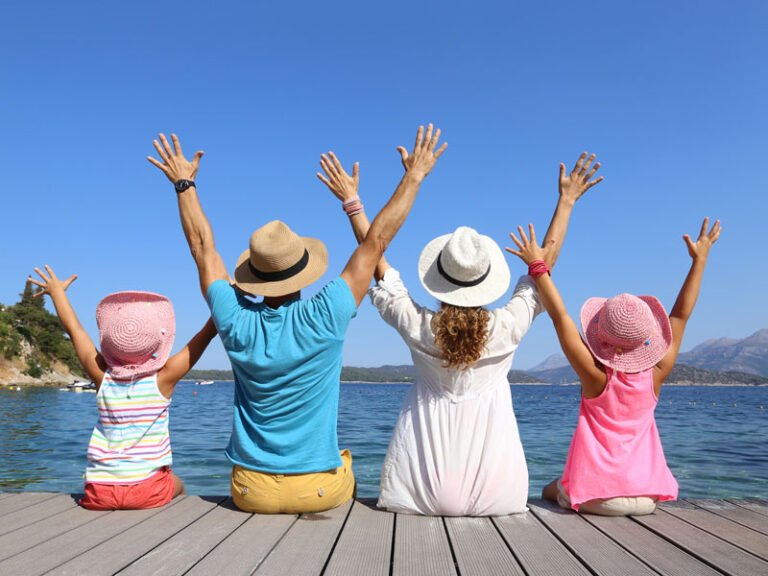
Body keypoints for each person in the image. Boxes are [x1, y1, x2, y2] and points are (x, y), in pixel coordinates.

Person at [147, 126, 447, 514]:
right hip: (317, 489)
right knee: (347, 465)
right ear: (304, 271)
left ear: (254, 276)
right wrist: (413, 176)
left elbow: (201, 247)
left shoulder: (233, 319)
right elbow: (377, 242)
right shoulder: (328, 312)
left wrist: (184, 185)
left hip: (250, 490)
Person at [319, 150, 603, 515]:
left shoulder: (419, 327)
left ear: (439, 280)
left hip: (417, 492)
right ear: (486, 281)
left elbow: (374, 259)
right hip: (499, 494)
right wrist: (566, 201)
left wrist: (353, 202)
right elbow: (541, 271)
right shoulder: (506, 327)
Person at [507, 217, 721, 515]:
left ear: (601, 337)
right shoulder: (656, 374)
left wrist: (537, 266)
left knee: (549, 490)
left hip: (596, 498)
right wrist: (700, 261)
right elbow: (680, 316)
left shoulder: (596, 377)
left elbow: (560, 317)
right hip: (646, 497)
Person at [28, 265, 217, 511]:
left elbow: (75, 331)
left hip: (99, 492)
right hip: (147, 491)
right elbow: (203, 338)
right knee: (178, 485)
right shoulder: (163, 380)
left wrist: (57, 294)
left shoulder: (102, 378)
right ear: (157, 343)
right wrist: (223, 307)